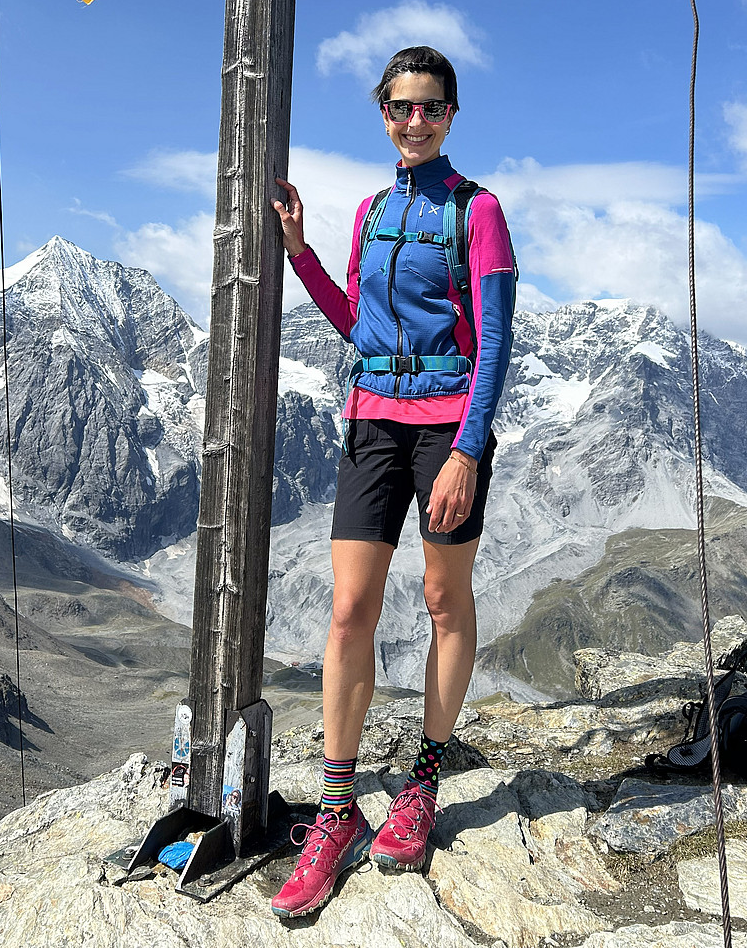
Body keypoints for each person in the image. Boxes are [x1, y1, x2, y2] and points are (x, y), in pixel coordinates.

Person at [269, 46, 515, 918]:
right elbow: (354, 323)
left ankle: (423, 781)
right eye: (401, 108)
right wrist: (300, 254)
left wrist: (468, 449)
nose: (416, 121)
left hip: (446, 429)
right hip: (372, 422)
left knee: (446, 601)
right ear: (383, 114)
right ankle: (336, 808)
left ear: (452, 114)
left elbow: (494, 339)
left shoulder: (478, 211)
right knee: (348, 610)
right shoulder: (372, 211)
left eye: (431, 107)